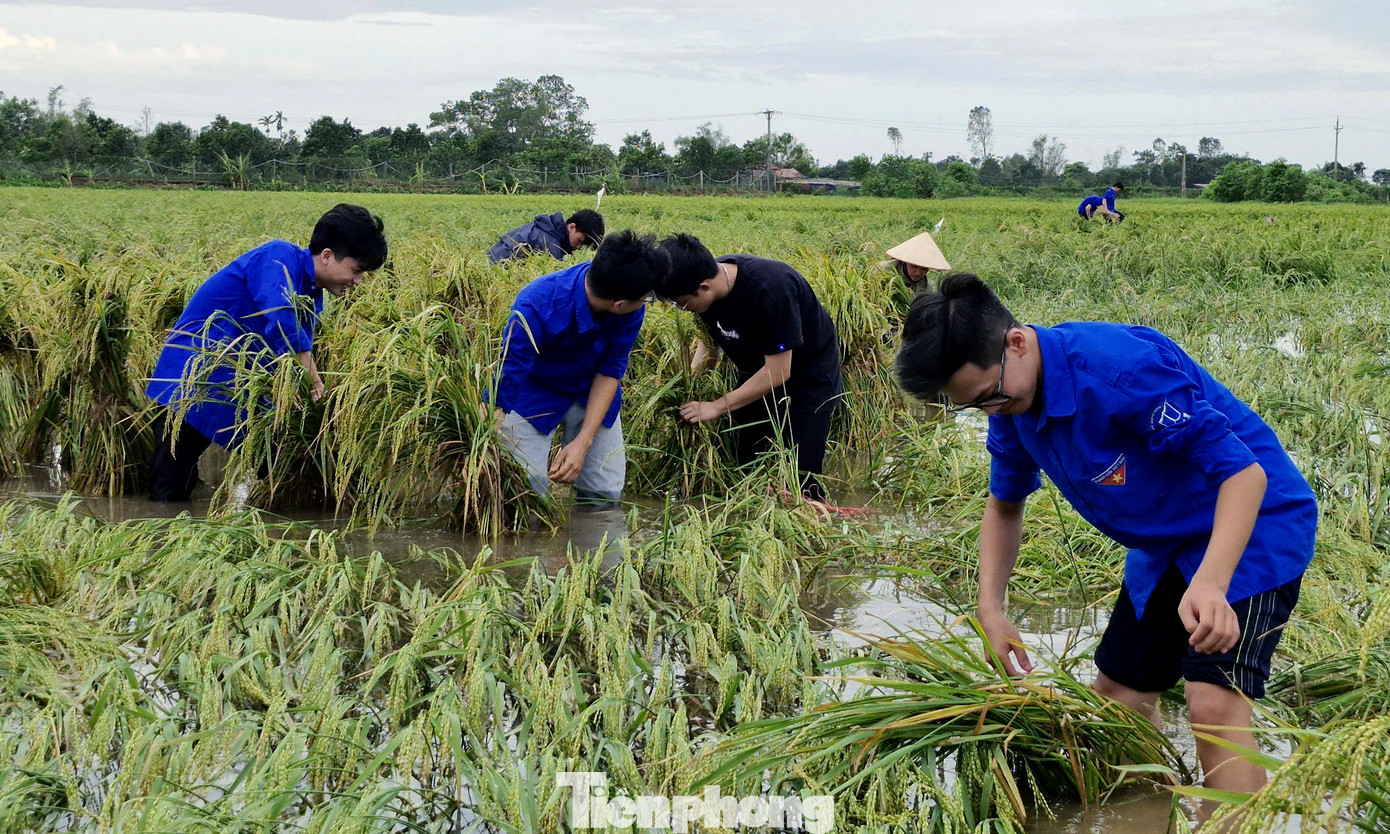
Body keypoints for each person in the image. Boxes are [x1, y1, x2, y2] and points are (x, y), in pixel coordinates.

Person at [893, 273, 1316, 799]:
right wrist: (991, 610)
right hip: (1166, 545)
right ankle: (1151, 813)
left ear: (1016, 343)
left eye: (988, 396)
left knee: (1213, 705)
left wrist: (1210, 584)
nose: (989, 411)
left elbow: (1244, 475)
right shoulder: (1009, 401)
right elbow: (1004, 506)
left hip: (1251, 526)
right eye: (976, 405)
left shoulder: (1121, 371)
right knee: (1119, 699)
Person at [146, 204, 388, 501]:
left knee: (286, 464)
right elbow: (283, 321)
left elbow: (284, 356)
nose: (358, 281)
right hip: (192, 382)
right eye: (356, 270)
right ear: (327, 256)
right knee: (169, 491)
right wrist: (313, 383)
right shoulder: (278, 257)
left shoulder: (312, 295)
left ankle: (340, 502)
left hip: (237, 393)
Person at [656, 234, 841, 501]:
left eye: (682, 303)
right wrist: (689, 381)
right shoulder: (703, 282)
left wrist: (717, 405)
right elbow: (709, 341)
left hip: (807, 376)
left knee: (802, 477)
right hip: (755, 371)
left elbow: (778, 371)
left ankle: (809, 521)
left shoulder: (771, 290)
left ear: (705, 287)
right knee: (743, 459)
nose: (682, 309)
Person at [488, 230, 668, 505]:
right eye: (644, 297)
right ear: (618, 304)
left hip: (590, 393)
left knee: (604, 493)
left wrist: (583, 442)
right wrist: (486, 437)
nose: (645, 302)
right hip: (533, 392)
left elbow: (610, 371)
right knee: (524, 493)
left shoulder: (631, 308)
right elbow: (510, 371)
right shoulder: (537, 301)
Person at [487, 209, 605, 264]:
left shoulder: (547, 229)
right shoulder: (551, 247)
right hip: (496, 269)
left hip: (488, 261)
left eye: (583, 246)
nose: (578, 247)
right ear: (571, 227)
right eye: (580, 241)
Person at [886, 230, 952, 289]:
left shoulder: (925, 287)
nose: (918, 273)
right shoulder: (884, 271)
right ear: (906, 262)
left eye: (924, 268)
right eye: (914, 266)